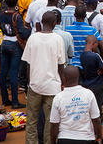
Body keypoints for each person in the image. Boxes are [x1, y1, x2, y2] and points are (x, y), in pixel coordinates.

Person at [22, 11, 67, 144]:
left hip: (35, 84)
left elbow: (28, 64)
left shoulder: (33, 38)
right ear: (54, 23)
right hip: (53, 86)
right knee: (51, 121)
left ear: (41, 22)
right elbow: (60, 66)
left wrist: (29, 82)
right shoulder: (58, 39)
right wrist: (63, 83)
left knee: (31, 120)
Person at [49, 65, 102, 144]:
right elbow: (96, 119)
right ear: (78, 77)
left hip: (64, 139)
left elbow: (54, 124)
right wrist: (98, 136)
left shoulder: (58, 97)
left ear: (63, 78)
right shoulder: (88, 94)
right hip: (86, 139)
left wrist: (53, 141)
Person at [0, 0, 29, 109]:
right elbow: (21, 33)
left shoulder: (1, 15)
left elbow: (1, 26)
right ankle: (15, 102)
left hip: (4, 43)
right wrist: (29, 31)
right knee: (14, 73)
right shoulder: (17, 16)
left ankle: (5, 99)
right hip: (15, 44)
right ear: (16, 3)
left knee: (3, 72)